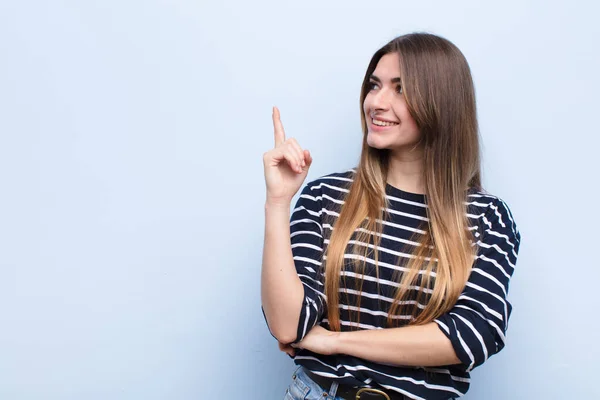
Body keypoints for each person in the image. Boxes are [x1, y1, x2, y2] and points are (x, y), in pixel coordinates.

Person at [261, 32, 522, 400]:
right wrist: (277, 201)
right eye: (374, 85)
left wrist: (335, 342)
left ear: (441, 103)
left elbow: (471, 335)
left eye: (400, 89)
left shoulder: (486, 218)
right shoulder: (325, 197)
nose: (376, 103)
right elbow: (288, 326)